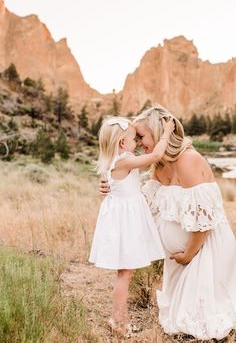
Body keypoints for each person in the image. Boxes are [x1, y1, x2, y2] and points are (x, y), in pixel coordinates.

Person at [100, 105, 236, 340]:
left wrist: (188, 255)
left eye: (142, 136)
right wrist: (110, 187)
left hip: (202, 253)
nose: (140, 143)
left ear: (158, 131)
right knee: (177, 321)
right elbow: (143, 203)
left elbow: (204, 222)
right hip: (180, 261)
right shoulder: (159, 164)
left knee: (198, 324)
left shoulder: (189, 160)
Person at [89, 115, 174, 337]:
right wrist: (167, 131)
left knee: (126, 272)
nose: (137, 142)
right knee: (125, 274)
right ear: (122, 143)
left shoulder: (115, 161)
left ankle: (121, 318)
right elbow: (155, 155)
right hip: (124, 222)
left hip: (123, 219)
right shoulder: (124, 160)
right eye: (133, 138)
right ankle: (117, 321)